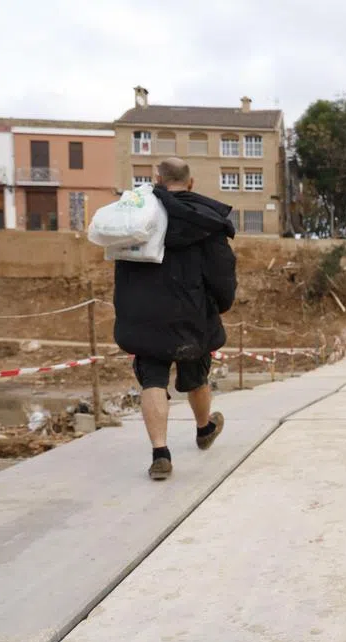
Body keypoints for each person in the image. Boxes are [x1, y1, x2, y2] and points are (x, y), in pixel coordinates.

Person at [113, 157, 237, 480]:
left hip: (146, 315)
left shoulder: (138, 217)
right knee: (196, 375)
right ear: (191, 183)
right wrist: (221, 304)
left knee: (153, 378)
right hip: (191, 314)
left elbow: (122, 263)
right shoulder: (204, 221)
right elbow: (222, 272)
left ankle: (160, 453)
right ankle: (203, 428)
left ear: (157, 179)